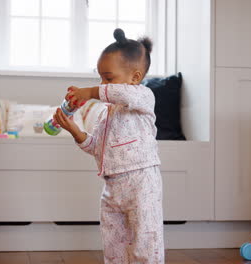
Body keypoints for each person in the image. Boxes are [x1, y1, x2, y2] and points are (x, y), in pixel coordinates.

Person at [53, 28, 164, 264]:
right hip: (112, 187)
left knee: (145, 241)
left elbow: (123, 94)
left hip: (141, 183)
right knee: (114, 244)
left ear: (134, 77)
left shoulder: (144, 97)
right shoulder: (106, 113)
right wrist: (74, 130)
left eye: (109, 78)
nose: (103, 85)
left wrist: (92, 92)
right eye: (100, 78)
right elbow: (95, 147)